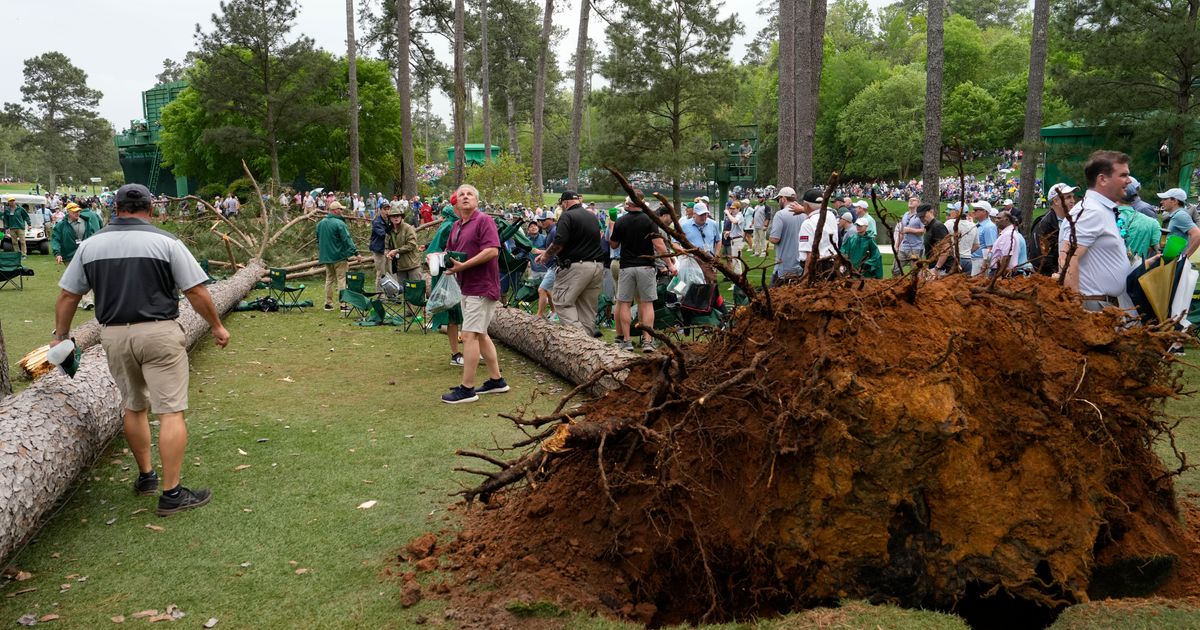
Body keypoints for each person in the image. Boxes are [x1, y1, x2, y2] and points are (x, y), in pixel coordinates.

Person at [52, 183, 227, 516]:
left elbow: (68, 296)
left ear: (115, 208)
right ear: (151, 209)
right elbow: (197, 292)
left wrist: (61, 336)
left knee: (133, 407)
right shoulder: (167, 242)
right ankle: (172, 493)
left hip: (114, 335)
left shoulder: (90, 246)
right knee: (170, 411)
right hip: (160, 333)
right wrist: (217, 326)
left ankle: (146, 476)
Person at [441, 184, 509, 404]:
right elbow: (449, 252)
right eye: (461, 194)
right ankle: (496, 381)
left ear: (477, 201)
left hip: (483, 286)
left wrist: (463, 266)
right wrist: (439, 259)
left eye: (470, 194)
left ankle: (467, 388)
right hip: (466, 286)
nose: (465, 197)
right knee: (480, 334)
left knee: (469, 335)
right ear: (456, 203)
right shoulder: (457, 226)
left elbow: (492, 251)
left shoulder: (484, 221)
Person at [1063, 150, 1134, 311]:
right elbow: (1067, 258)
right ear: (1102, 179)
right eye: (1123, 175)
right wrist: (1075, 310)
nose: (1129, 180)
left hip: (1104, 304)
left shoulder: (1101, 210)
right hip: (1093, 307)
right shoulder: (1091, 212)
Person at [610, 191, 677, 353]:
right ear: (641, 202)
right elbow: (659, 245)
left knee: (624, 303)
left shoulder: (620, 221)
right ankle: (648, 341)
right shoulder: (650, 220)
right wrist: (670, 265)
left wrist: (613, 226)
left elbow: (613, 245)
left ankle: (626, 341)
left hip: (626, 266)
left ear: (628, 204)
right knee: (647, 304)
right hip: (646, 266)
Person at [536, 191, 606, 336]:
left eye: (561, 204)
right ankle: (589, 346)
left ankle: (581, 339)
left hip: (576, 266)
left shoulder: (567, 216)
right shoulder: (592, 216)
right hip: (596, 265)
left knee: (561, 302)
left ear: (565, 202)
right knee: (587, 307)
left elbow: (559, 242)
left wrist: (546, 255)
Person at [428, 203, 467, 364]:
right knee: (454, 316)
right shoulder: (449, 226)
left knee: (464, 316)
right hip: (451, 277)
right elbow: (434, 252)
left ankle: (469, 351)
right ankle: (456, 354)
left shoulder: (461, 224)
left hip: (463, 276)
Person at [316, 201, 357, 312]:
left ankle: (328, 304)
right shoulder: (340, 224)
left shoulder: (320, 223)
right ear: (335, 210)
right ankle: (343, 305)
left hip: (326, 257)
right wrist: (355, 252)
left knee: (329, 280)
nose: (342, 211)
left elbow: (317, 239)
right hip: (339, 257)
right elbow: (347, 239)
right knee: (342, 280)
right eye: (340, 209)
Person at [1031, 183, 1076, 276]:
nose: (1073, 201)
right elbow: (1039, 258)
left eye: (1072, 197)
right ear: (1056, 201)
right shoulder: (1043, 225)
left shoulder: (1075, 220)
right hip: (1051, 280)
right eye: (1068, 197)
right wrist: (1056, 275)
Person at [769, 187, 806, 284]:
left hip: (784, 267)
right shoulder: (804, 214)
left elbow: (774, 239)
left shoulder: (780, 214)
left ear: (783, 199)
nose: (778, 202)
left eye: (778, 199)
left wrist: (768, 234)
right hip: (801, 265)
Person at [937, 202, 978, 275]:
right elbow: (977, 245)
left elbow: (942, 242)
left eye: (952, 210)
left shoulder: (949, 223)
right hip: (967, 260)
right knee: (965, 284)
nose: (950, 212)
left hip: (954, 260)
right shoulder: (973, 226)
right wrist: (966, 252)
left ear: (957, 212)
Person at [1159, 187, 1200, 258]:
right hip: (1172, 260)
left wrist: (1185, 257)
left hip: (1174, 262)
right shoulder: (1177, 214)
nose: (1161, 202)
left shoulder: (1180, 215)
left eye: (1165, 199)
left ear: (1175, 201)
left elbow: (1197, 235)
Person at [386, 205, 423, 283]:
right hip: (400, 266)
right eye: (393, 216)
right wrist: (389, 252)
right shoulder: (390, 231)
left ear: (401, 217)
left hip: (413, 265)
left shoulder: (408, 228)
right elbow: (389, 246)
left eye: (398, 216)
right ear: (390, 218)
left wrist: (396, 251)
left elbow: (411, 245)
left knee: (415, 291)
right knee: (403, 291)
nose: (396, 218)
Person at [533, 212, 558, 319]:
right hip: (553, 265)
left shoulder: (554, 231)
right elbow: (550, 250)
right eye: (540, 220)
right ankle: (554, 312)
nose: (541, 222)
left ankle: (540, 315)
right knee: (548, 290)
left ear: (552, 219)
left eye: (544, 220)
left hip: (555, 265)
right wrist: (543, 255)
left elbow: (557, 247)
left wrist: (544, 255)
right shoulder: (550, 231)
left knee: (542, 289)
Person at [894, 196, 925, 274]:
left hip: (916, 248)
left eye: (913, 200)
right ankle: (898, 285)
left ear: (918, 204)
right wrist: (897, 245)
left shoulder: (920, 216)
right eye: (910, 200)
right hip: (903, 247)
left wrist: (910, 230)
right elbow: (901, 232)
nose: (910, 201)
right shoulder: (905, 215)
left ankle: (914, 286)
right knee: (895, 270)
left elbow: (923, 231)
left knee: (914, 272)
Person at [369, 200, 393, 290]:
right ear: (380, 210)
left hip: (388, 250)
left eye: (388, 209)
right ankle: (380, 295)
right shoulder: (377, 222)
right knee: (381, 273)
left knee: (389, 272)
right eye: (385, 209)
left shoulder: (387, 221)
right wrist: (391, 225)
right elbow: (382, 234)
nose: (387, 211)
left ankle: (391, 294)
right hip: (379, 251)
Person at [969, 201, 998, 276]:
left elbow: (990, 248)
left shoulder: (989, 227)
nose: (973, 212)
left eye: (976, 210)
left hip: (980, 261)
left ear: (984, 212)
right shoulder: (978, 225)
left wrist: (984, 264)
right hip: (974, 260)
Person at [988, 211, 1020, 277]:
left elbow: (1006, 256)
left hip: (1000, 271)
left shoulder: (1008, 234)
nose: (996, 220)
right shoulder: (1008, 233)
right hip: (1001, 270)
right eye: (996, 218)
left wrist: (1000, 274)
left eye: (999, 218)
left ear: (1007, 220)